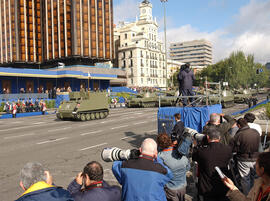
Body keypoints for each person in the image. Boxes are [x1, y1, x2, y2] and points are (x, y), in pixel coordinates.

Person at [192, 127, 233, 201]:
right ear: (219, 137)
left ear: (207, 137)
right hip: (223, 184)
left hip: (207, 186)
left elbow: (194, 157)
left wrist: (195, 146)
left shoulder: (201, 152)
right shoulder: (228, 149)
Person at [229, 118, 261, 195]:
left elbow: (232, 148)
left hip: (243, 159)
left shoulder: (239, 135)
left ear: (239, 125)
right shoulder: (255, 132)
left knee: (245, 179)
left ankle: (247, 196)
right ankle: (256, 195)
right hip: (255, 158)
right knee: (256, 178)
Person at [157, 133, 190, 201]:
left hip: (171, 188)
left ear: (159, 144)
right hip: (183, 185)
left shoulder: (160, 157)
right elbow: (188, 167)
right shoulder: (181, 151)